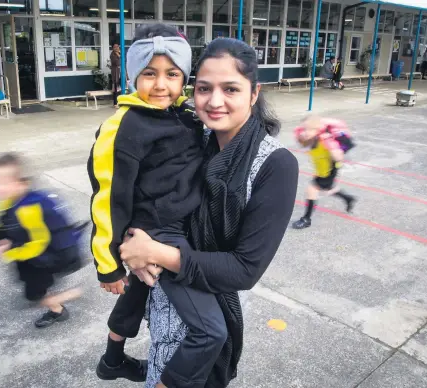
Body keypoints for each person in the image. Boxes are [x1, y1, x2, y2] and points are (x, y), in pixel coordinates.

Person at [117, 38, 299, 388]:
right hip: (162, 304)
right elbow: (137, 192)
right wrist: (134, 242)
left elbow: (244, 269)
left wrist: (153, 252)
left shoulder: (275, 165)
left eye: (230, 88)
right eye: (204, 88)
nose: (215, 102)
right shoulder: (187, 137)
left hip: (206, 328)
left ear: (254, 92)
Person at [89, 24, 230, 387]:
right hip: (159, 231)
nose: (160, 85)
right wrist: (108, 265)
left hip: (180, 224)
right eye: (149, 73)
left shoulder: (182, 114)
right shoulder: (124, 125)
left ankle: (111, 360)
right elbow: (107, 197)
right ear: (134, 74)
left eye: (172, 74)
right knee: (211, 330)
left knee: (139, 292)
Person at [0, 152, 86, 328]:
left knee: (34, 295)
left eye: (2, 183)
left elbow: (40, 244)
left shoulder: (32, 207)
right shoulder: (9, 201)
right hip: (32, 257)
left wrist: (8, 250)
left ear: (21, 182)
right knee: (31, 290)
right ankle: (57, 308)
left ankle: (70, 296)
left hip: (54, 256)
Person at [291, 116, 356, 229]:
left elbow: (339, 157)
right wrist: (301, 136)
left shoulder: (326, 140)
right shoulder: (312, 138)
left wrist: (332, 149)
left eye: (310, 129)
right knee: (328, 189)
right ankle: (348, 198)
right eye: (304, 129)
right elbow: (304, 144)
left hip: (329, 171)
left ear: (317, 129)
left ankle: (306, 219)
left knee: (311, 190)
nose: (306, 132)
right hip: (322, 169)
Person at [110, 43, 121, 108]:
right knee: (116, 88)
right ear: (113, 48)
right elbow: (117, 63)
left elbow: (124, 60)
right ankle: (115, 103)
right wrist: (119, 56)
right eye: (115, 47)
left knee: (122, 88)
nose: (116, 48)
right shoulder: (112, 55)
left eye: (117, 46)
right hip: (115, 73)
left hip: (121, 73)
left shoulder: (120, 53)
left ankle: (121, 101)